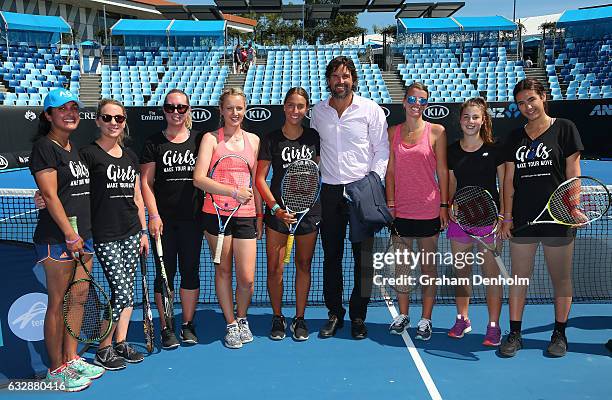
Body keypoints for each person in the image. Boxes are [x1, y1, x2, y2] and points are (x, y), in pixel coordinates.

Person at [499, 78, 584, 357]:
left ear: (543, 97)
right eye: (521, 103)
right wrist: (507, 217)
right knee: (518, 279)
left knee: (560, 279)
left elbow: (573, 173)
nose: (527, 107)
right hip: (523, 220)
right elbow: (509, 180)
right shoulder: (514, 137)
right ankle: (514, 333)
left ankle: (559, 334)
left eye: (531, 100)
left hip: (557, 219)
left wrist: (572, 208)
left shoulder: (564, 128)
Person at [30, 88, 104, 391]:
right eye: (62, 109)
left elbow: (62, 191)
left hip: (81, 237)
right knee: (58, 303)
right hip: (58, 239)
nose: (70, 113)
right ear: (49, 115)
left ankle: (71, 359)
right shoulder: (44, 148)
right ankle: (56, 368)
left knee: (79, 299)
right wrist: (69, 234)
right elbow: (48, 194)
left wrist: (79, 235)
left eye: (74, 108)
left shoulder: (73, 148)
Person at [310, 56, 389, 340]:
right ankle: (335, 314)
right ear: (329, 80)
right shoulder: (318, 112)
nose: (340, 81)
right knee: (331, 258)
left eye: (345, 76)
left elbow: (381, 150)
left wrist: (372, 181)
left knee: (363, 260)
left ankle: (359, 316)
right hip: (330, 192)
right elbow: (317, 150)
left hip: (361, 190)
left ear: (353, 79)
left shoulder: (370, 109)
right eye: (335, 76)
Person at [78, 99, 149, 369]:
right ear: (97, 120)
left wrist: (143, 231)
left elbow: (137, 197)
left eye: (118, 118)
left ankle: (120, 342)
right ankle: (103, 348)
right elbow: (72, 186)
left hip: (131, 231)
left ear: (124, 121)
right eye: (107, 118)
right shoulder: (88, 154)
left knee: (127, 291)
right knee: (120, 290)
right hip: (105, 235)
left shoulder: (131, 156)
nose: (113, 123)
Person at [193, 87, 262, 349]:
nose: (235, 113)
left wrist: (259, 214)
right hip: (215, 215)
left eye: (239, 108)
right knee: (223, 271)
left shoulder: (253, 141)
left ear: (245, 110)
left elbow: (255, 182)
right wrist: (233, 191)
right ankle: (231, 323)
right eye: (230, 108)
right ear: (221, 110)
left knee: (247, 277)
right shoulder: (211, 139)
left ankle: (242, 317)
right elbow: (199, 179)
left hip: (244, 216)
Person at [255, 87, 320, 341]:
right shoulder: (271, 139)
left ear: (306, 109)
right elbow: (260, 179)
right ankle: (278, 316)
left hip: (308, 212)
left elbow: (315, 171)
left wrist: (304, 202)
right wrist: (275, 209)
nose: (295, 110)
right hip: (278, 214)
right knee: (274, 269)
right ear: (284, 107)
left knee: (304, 265)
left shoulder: (314, 137)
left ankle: (300, 318)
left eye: (300, 106)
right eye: (291, 105)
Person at [140, 89, 204, 349]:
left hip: (193, 220)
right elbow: (146, 182)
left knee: (190, 271)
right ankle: (167, 326)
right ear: (163, 110)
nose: (176, 112)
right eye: (171, 107)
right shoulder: (153, 142)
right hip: (163, 223)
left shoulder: (201, 141)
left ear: (188, 110)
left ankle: (188, 325)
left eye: (181, 108)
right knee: (164, 275)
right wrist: (153, 215)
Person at [385, 82, 449, 340]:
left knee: (428, 268)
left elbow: (443, 171)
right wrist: (390, 204)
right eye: (412, 99)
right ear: (404, 102)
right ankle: (403, 315)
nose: (416, 104)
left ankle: (426, 318)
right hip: (400, 210)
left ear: (426, 104)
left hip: (429, 209)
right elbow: (389, 171)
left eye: (422, 101)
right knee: (401, 267)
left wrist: (444, 205)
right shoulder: (393, 132)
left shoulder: (437, 132)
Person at [446, 97, 505, 346]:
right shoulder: (452, 150)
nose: (471, 121)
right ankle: (463, 318)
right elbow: (451, 184)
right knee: (462, 274)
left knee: (491, 276)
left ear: (483, 120)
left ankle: (493, 326)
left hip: (489, 221)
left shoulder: (495, 149)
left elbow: (505, 184)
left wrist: (503, 216)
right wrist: (449, 205)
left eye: (475, 117)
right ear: (460, 120)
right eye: (466, 117)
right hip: (460, 221)